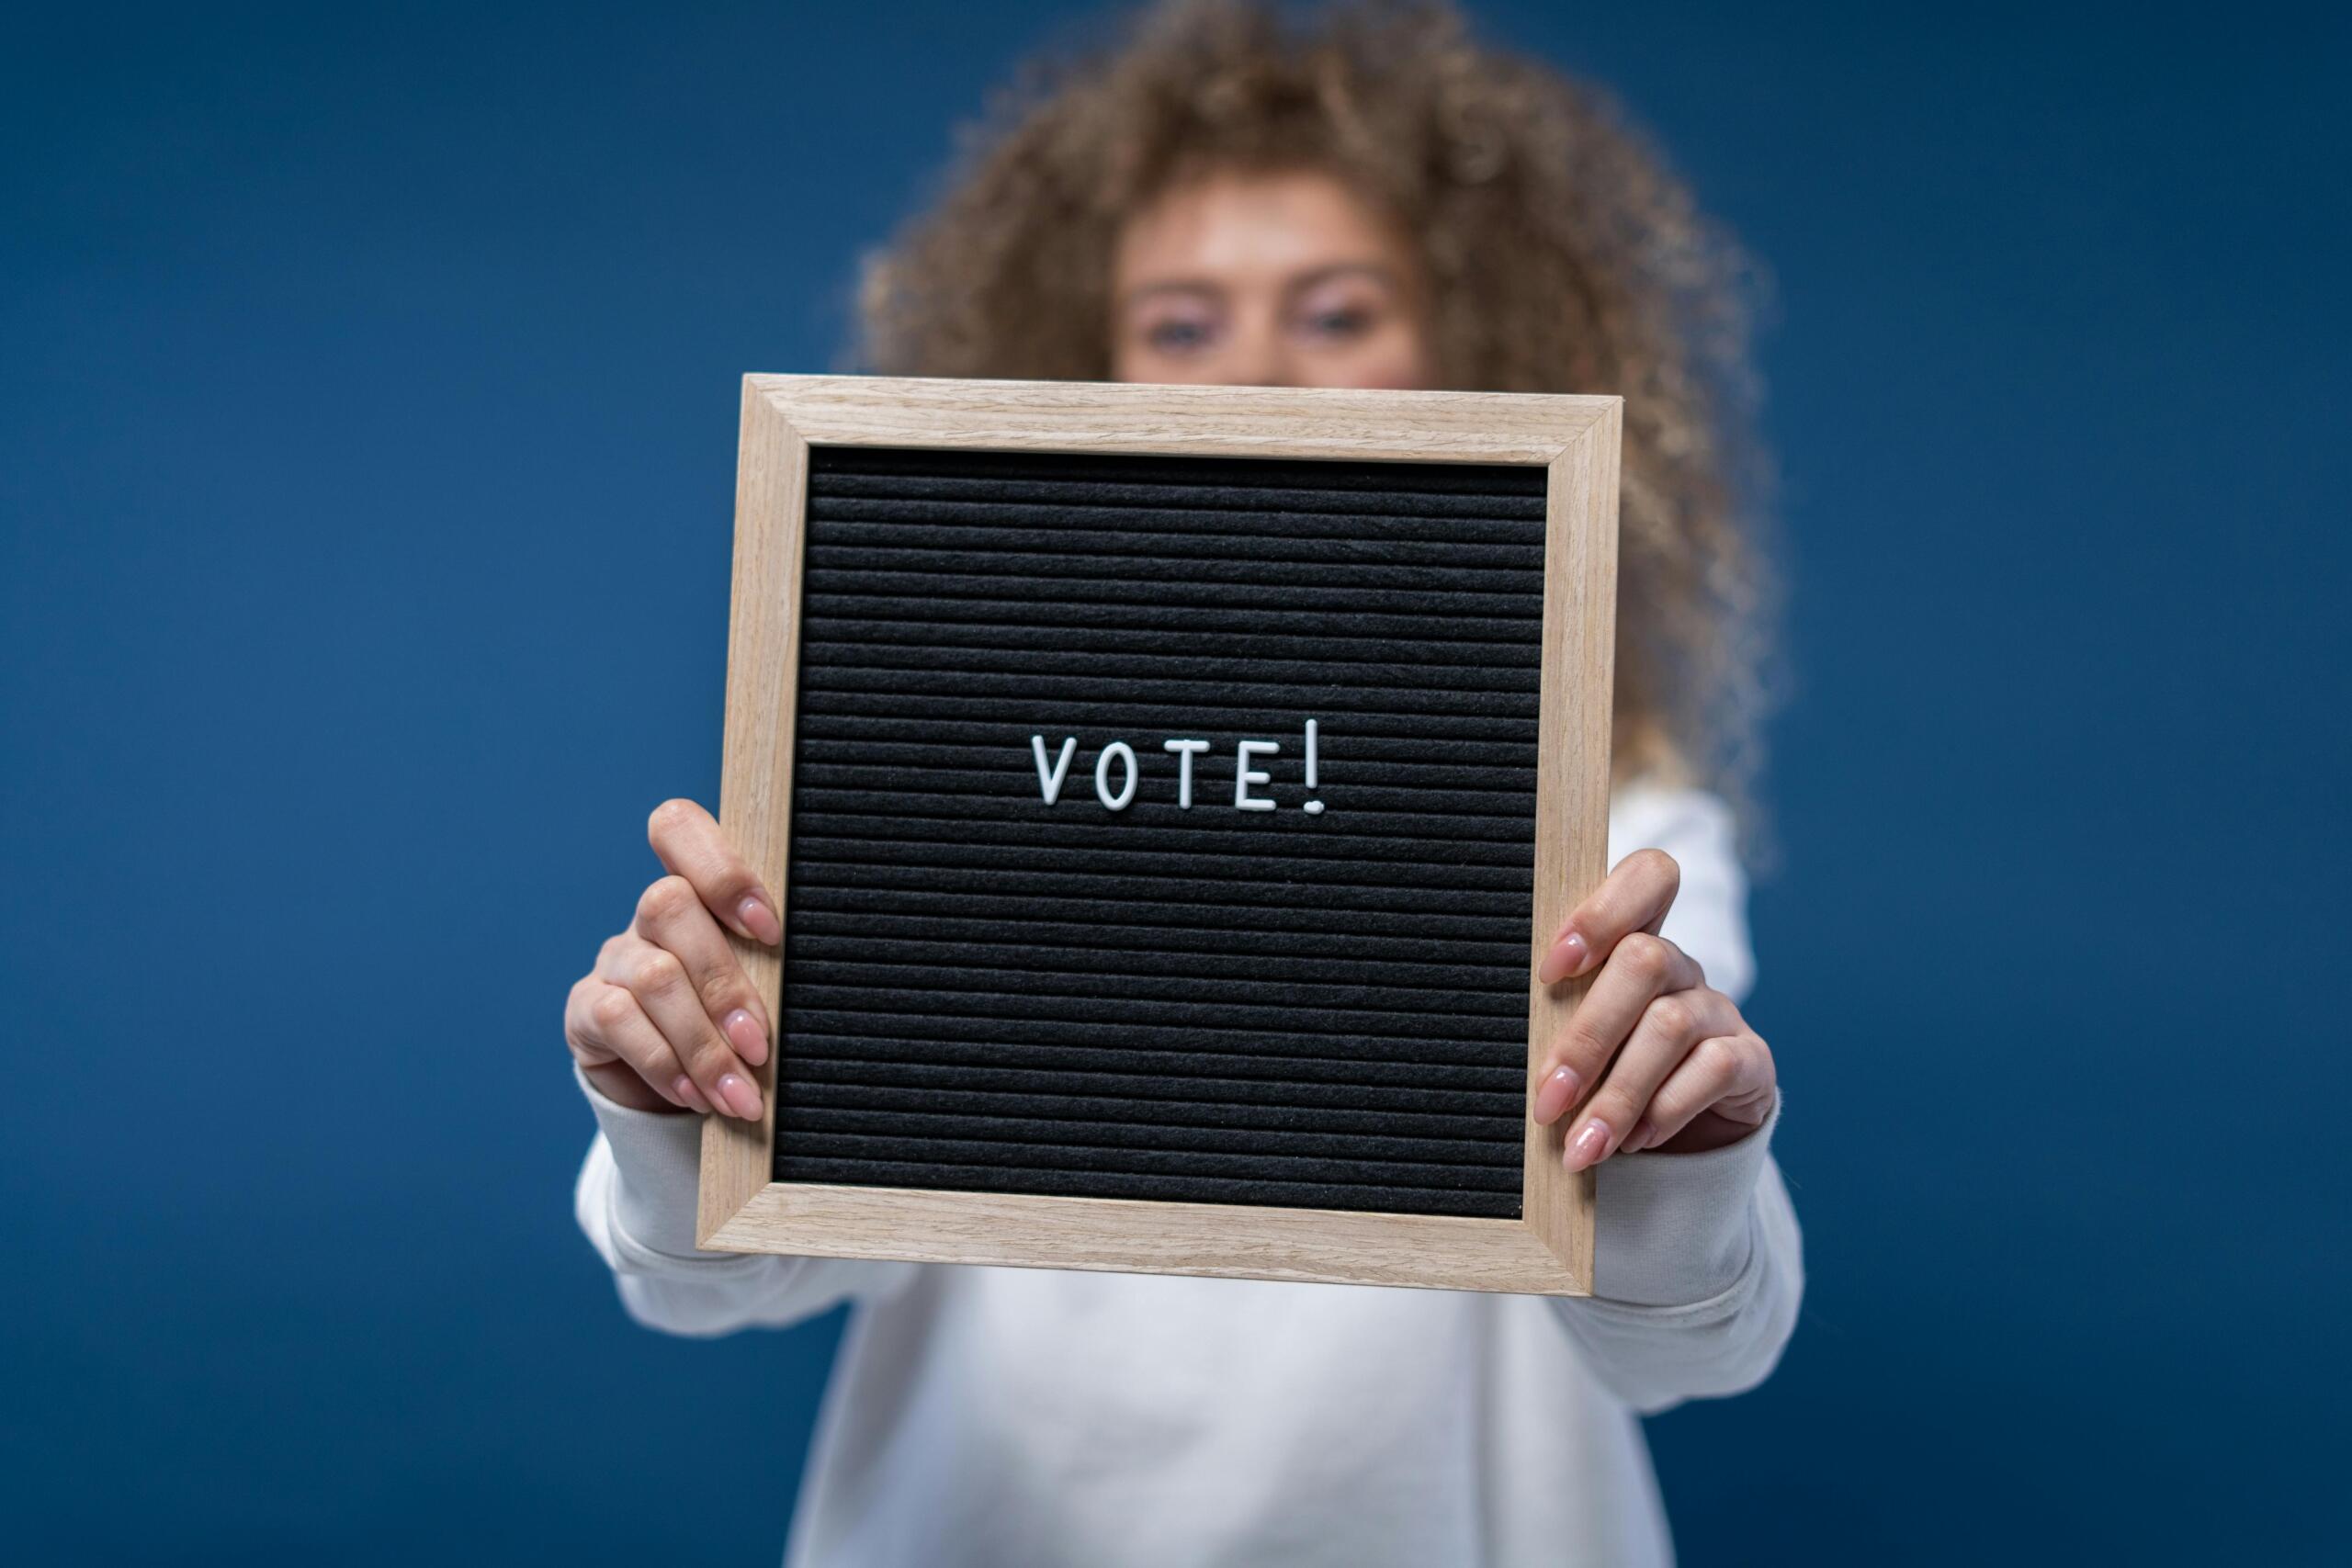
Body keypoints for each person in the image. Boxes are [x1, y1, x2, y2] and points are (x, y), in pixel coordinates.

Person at [563, 3, 1802, 1562]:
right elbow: (717, 1280)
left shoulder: (1622, 829)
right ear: (1088, 359)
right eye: (1183, 323)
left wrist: (1686, 1158)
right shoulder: (928, 759)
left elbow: (1691, 1347)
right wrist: (680, 1098)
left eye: (1340, 313)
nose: (1265, 374)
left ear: (1467, 344)